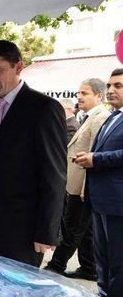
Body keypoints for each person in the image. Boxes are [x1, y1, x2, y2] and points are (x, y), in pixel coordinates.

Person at [0, 40, 66, 267]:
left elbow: (53, 174)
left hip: (23, 228)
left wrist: (46, 231)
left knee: (16, 295)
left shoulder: (43, 108)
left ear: (18, 67)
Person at [46, 78, 109, 280]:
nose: (79, 97)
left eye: (85, 93)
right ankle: (89, 267)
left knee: (72, 228)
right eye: (79, 93)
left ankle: (57, 265)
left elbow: (94, 154)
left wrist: (84, 189)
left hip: (82, 186)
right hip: (77, 184)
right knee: (86, 230)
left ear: (99, 96)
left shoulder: (99, 117)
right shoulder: (88, 117)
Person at [75, 68, 123, 297]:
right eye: (110, 85)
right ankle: (104, 295)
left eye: (119, 86)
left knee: (118, 256)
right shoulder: (112, 116)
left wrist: (96, 159)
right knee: (102, 254)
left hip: (117, 201)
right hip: (101, 197)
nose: (112, 90)